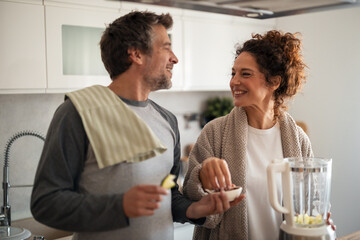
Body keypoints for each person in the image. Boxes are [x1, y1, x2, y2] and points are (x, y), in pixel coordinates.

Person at [31, 11, 242, 240]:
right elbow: (46, 203)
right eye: (166, 47)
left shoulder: (168, 121)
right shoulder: (77, 113)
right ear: (136, 54)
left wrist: (195, 209)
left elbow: (168, 194)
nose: (175, 58)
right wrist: (119, 206)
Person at [183, 30, 313, 240]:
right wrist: (202, 177)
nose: (234, 82)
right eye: (233, 73)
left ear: (274, 82)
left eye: (245, 74)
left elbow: (310, 205)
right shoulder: (214, 133)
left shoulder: (298, 140)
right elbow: (190, 200)